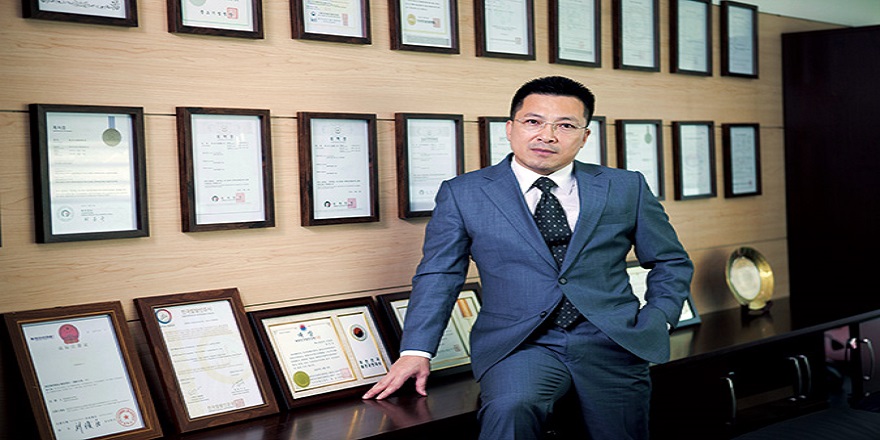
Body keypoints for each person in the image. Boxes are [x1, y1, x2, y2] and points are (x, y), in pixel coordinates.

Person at [363, 76, 694, 439]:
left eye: (565, 125)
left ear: (584, 137)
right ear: (510, 128)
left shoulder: (625, 186)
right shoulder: (464, 193)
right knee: (510, 409)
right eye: (533, 121)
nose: (547, 136)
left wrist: (659, 318)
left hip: (613, 339)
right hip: (520, 343)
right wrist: (416, 350)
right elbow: (439, 274)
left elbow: (670, 261)